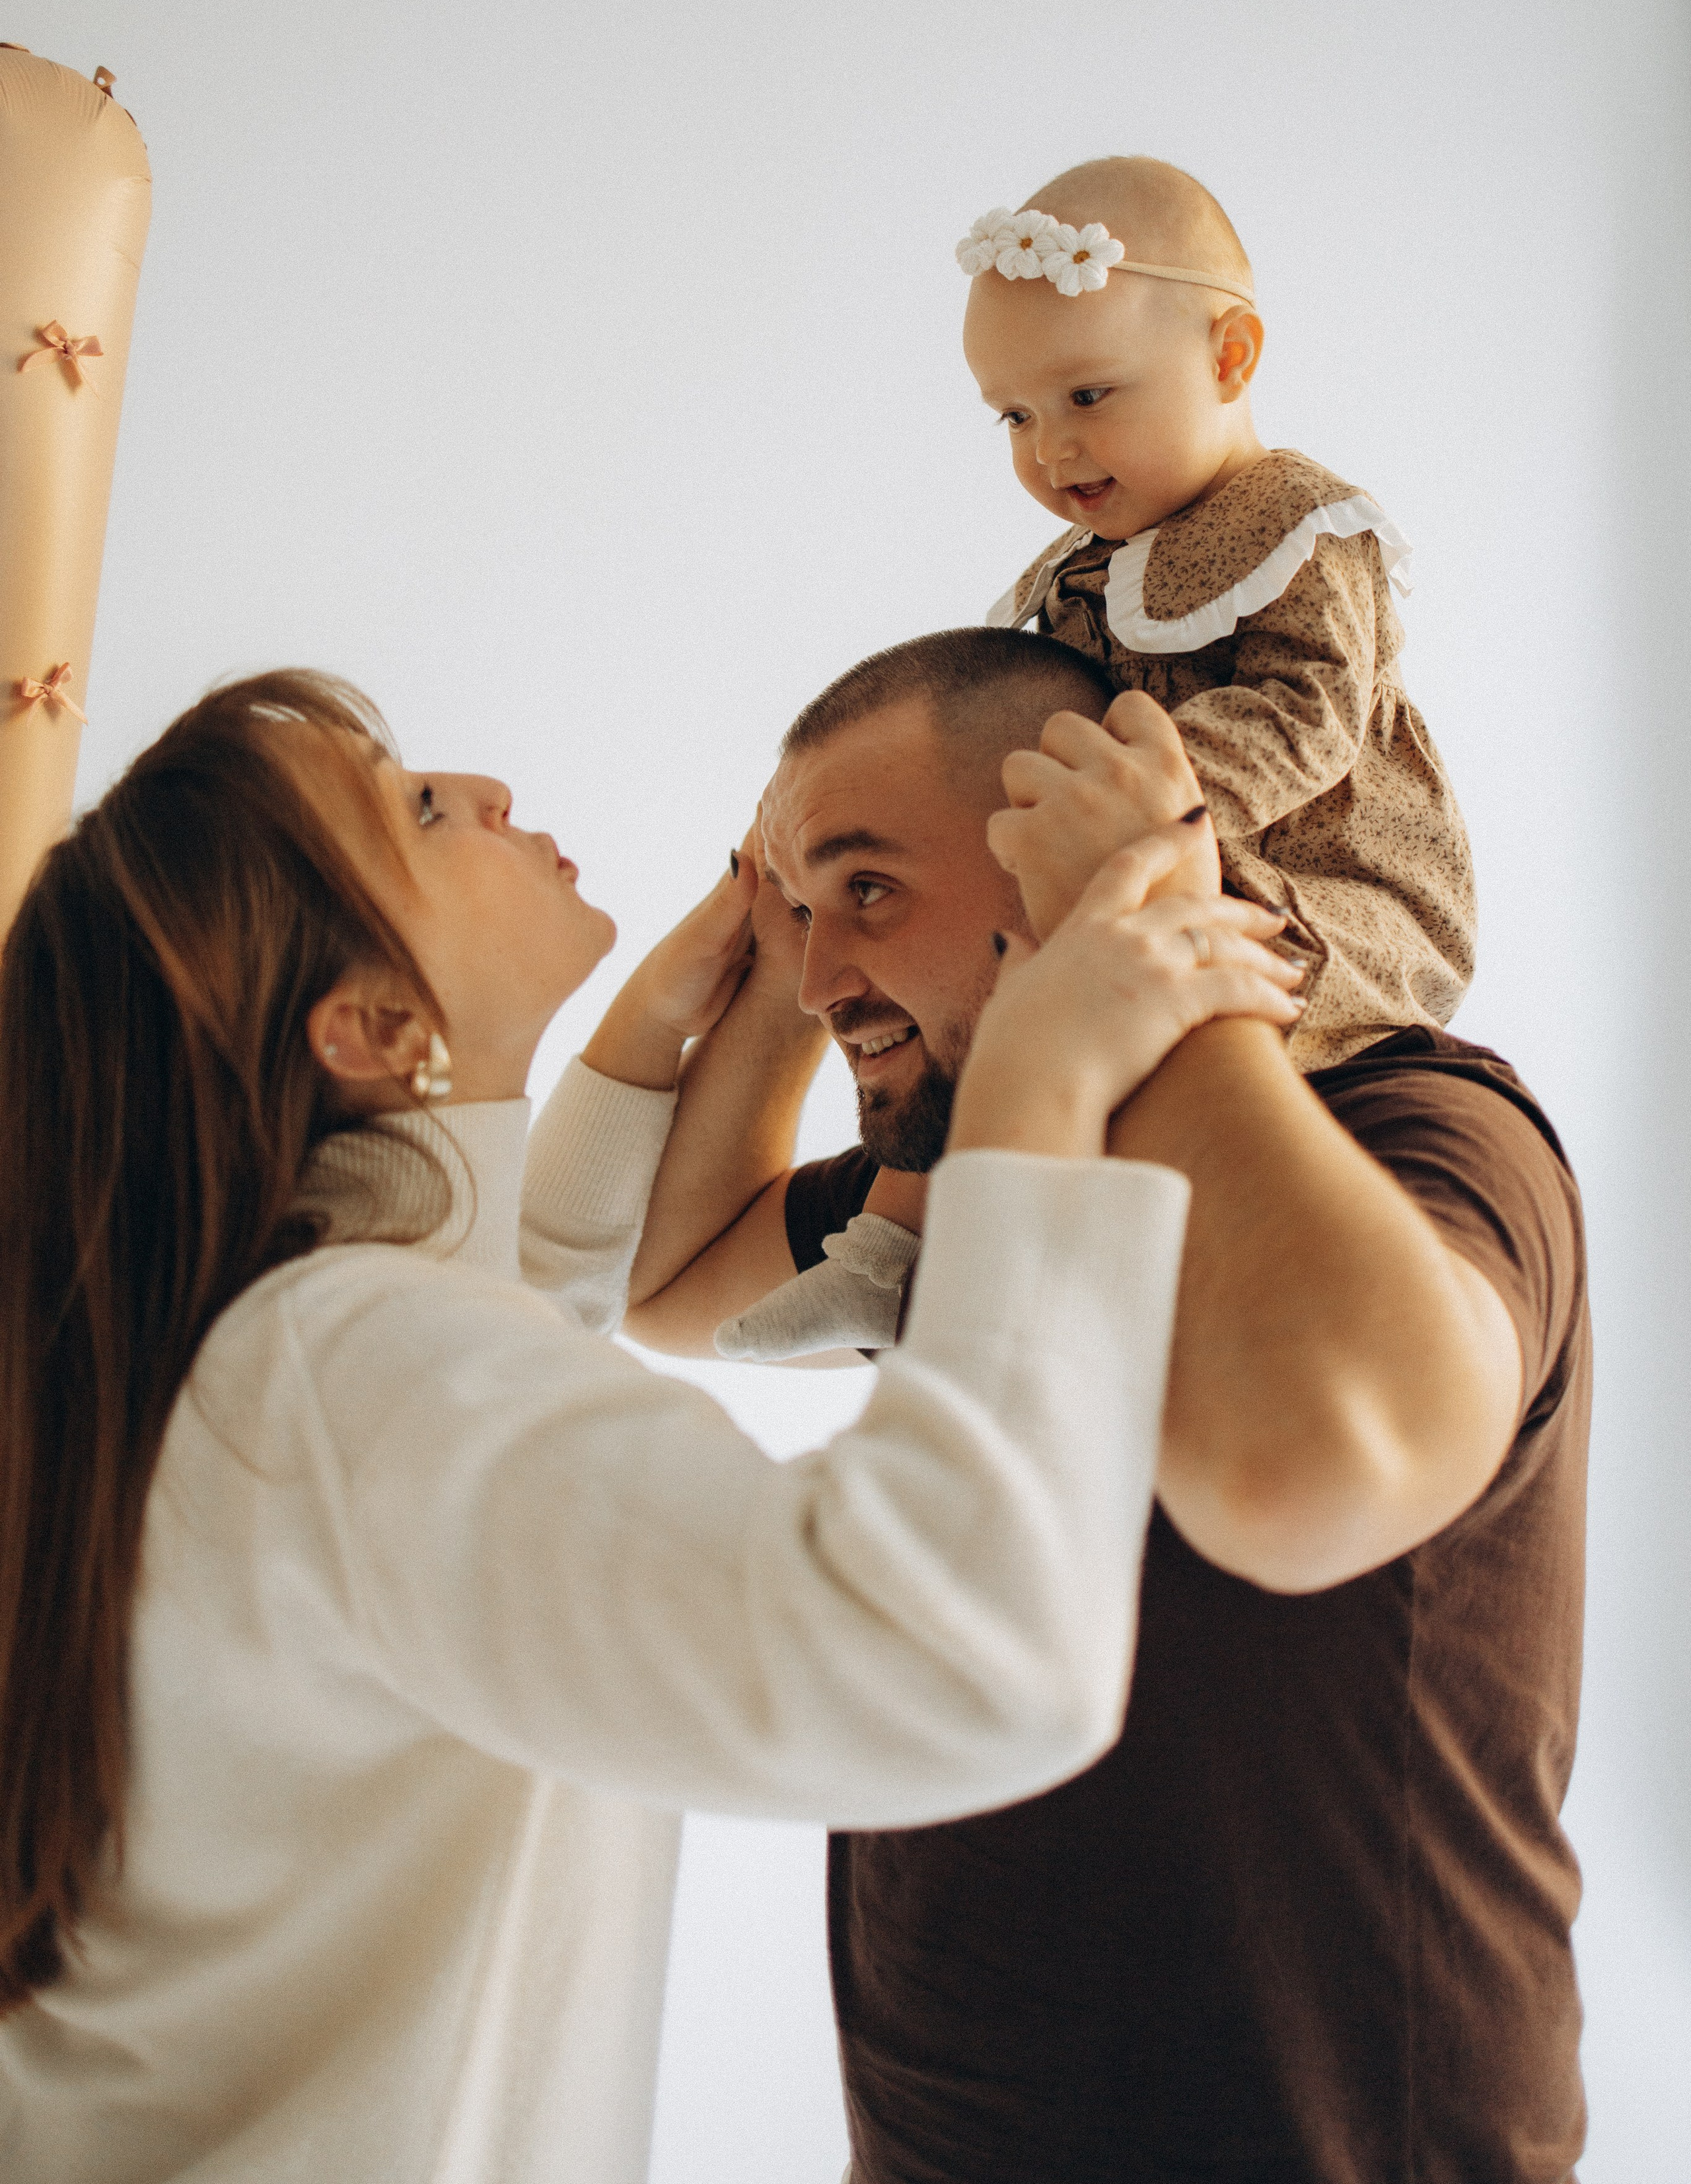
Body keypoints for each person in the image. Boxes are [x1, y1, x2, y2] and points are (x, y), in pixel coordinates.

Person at [0, 666, 1302, 2184]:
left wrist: (646, 1038)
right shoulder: (338, 1370)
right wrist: (1041, 1077)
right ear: (370, 1024)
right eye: (416, 811)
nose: (481, 788)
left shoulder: (264, 1349)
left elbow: (508, 1357)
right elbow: (956, 1654)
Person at [626, 629, 1591, 2184]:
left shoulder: (1421, 1129)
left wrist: (1147, 921)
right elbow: (668, 1278)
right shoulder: (996, 1164)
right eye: (803, 915)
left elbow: (1310, 1481)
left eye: (869, 888)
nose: (818, 978)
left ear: (1065, 854)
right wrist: (774, 934)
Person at [961, 154, 1475, 1073]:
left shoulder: (1299, 525)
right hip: (1147, 866)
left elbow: (1308, 713)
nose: (1051, 449)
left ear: (1229, 358)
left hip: (1325, 882)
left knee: (1179, 961)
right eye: (1016, 417)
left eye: (1087, 396)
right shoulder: (1083, 570)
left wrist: (1143, 791)